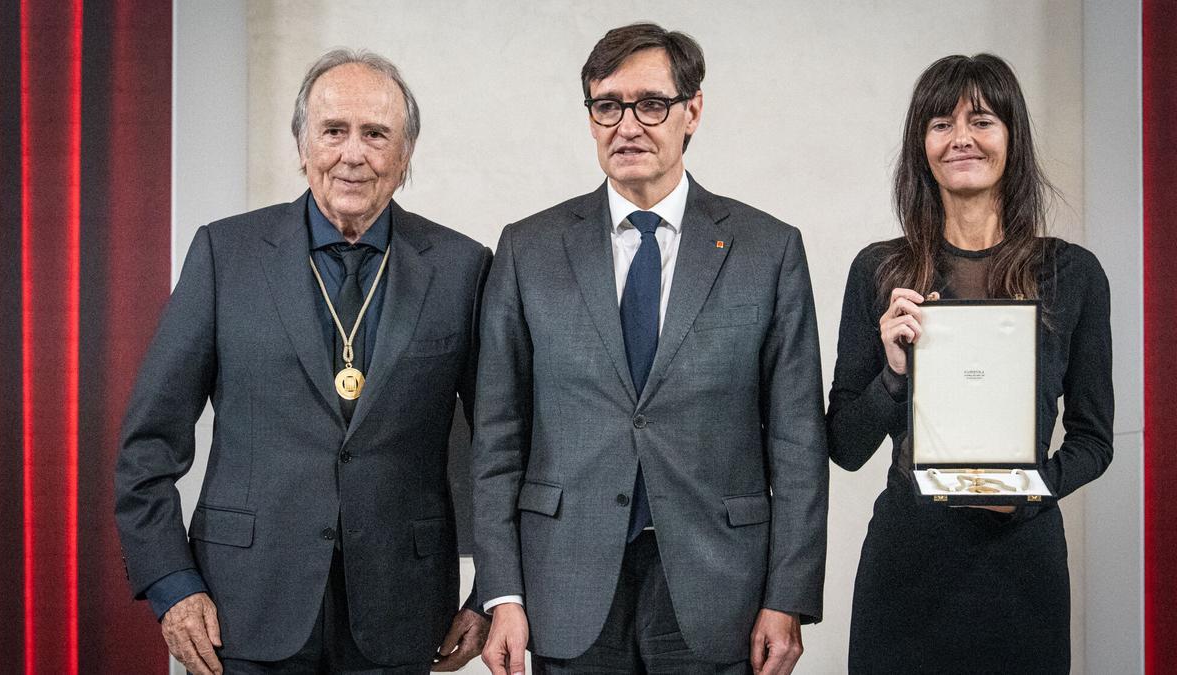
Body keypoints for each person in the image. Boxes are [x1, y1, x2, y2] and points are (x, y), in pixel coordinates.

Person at [114, 48, 491, 674]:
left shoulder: (462, 268)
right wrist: (171, 583)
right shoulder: (224, 255)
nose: (353, 153)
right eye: (333, 131)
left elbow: (503, 447)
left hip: (404, 609)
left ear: (405, 156)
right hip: (241, 604)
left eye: (376, 134)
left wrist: (490, 592)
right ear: (301, 144)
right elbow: (147, 445)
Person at [472, 22, 829, 675]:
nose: (627, 125)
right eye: (607, 105)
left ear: (693, 110)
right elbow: (496, 436)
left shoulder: (767, 250)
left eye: (651, 104)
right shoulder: (528, 249)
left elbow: (799, 442)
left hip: (718, 586)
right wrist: (502, 591)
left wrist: (789, 596)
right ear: (590, 117)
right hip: (564, 584)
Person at [826, 53, 1114, 673]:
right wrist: (893, 373)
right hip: (906, 561)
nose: (961, 138)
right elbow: (846, 445)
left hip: (1022, 562)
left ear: (1012, 138)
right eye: (940, 123)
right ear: (920, 145)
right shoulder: (880, 272)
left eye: (981, 120)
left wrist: (1029, 492)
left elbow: (1094, 440)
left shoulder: (1073, 275)